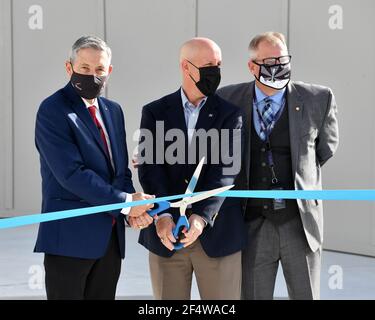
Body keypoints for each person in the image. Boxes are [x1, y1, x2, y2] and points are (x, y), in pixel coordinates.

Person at [218, 31, 339, 300]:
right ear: (252, 66)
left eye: (283, 60)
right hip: (251, 223)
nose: (279, 67)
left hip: (300, 222)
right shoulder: (228, 98)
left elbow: (325, 149)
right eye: (270, 62)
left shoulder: (318, 98)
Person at [34, 35, 154, 300]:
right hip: (69, 240)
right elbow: (71, 174)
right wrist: (126, 202)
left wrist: (132, 211)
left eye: (100, 69)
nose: (92, 75)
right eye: (84, 68)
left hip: (109, 241)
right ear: (69, 68)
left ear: (109, 71)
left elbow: (119, 171)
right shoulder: (53, 110)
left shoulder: (113, 110)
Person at [133, 37, 247, 300]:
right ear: (186, 67)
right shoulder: (154, 112)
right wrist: (163, 216)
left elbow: (226, 171)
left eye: (218, 65)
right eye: (208, 65)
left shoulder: (231, 115)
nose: (215, 72)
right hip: (166, 235)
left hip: (216, 234)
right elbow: (149, 168)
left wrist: (200, 217)